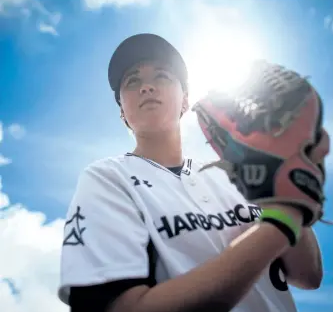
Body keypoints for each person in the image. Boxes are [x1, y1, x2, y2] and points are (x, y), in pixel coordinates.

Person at [58, 33, 324, 312]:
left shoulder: (239, 177)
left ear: (185, 101)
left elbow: (308, 274)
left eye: (162, 76)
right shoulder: (107, 178)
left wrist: (282, 181)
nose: (146, 87)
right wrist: (281, 222)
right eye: (132, 81)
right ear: (122, 112)